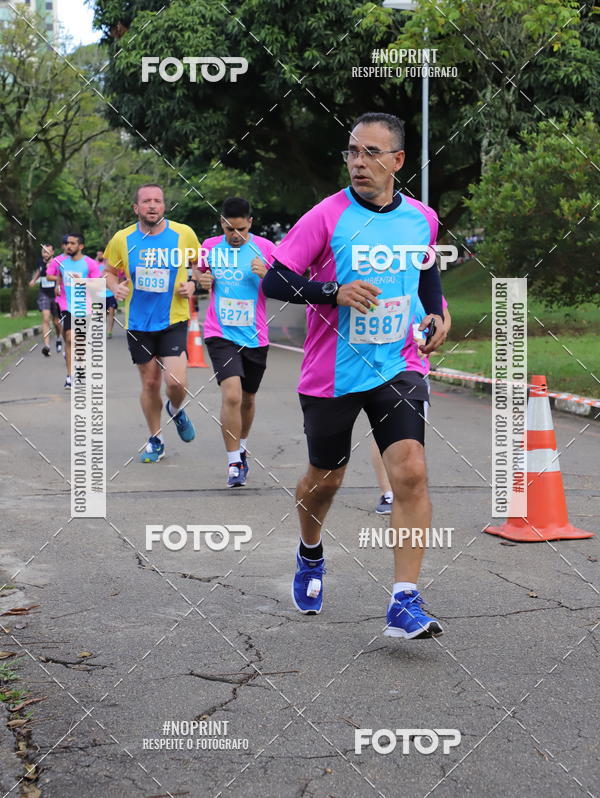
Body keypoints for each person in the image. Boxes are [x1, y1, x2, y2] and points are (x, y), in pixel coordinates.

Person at [262, 111, 447, 639]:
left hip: (399, 364)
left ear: (398, 161)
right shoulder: (326, 215)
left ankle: (404, 600)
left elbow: (427, 273)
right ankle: (311, 552)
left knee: (410, 469)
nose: (358, 162)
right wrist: (331, 292)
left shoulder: (422, 219)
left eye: (371, 153)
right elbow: (275, 278)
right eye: (352, 151)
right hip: (332, 374)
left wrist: (435, 316)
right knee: (326, 480)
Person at [103, 183, 200, 463]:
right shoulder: (123, 238)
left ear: (164, 206)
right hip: (138, 323)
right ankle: (156, 438)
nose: (152, 205)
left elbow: (199, 265)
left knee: (175, 381)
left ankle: (176, 408)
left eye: (157, 201)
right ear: (137, 208)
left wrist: (192, 284)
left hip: (174, 318)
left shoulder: (184, 234)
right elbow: (109, 271)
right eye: (146, 201)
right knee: (149, 383)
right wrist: (114, 286)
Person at [198, 197, 276, 487]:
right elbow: (197, 277)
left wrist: (267, 274)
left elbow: (284, 284)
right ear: (221, 224)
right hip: (220, 333)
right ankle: (233, 462)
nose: (235, 236)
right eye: (230, 229)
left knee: (248, 398)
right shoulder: (209, 247)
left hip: (255, 335)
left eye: (241, 229)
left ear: (251, 223)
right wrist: (200, 282)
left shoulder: (266, 248)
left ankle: (241, 448)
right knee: (231, 394)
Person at [372, 298, 451, 514]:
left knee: (411, 433)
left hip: (416, 369)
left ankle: (408, 490)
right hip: (381, 367)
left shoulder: (424, 282)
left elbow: (443, 314)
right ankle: (388, 493)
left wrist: (437, 334)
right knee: (383, 430)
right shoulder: (383, 278)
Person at [46, 234, 102, 389]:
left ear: (81, 246)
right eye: (67, 243)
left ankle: (81, 368)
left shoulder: (89, 264)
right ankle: (70, 376)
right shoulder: (61, 262)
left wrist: (82, 281)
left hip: (85, 307)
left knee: (80, 342)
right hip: (67, 306)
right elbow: (54, 275)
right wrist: (58, 285)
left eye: (72, 243)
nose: (68, 246)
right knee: (70, 338)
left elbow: (98, 285)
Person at [28, 243, 63, 357]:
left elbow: (62, 277)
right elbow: (39, 271)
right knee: (45, 318)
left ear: (52, 252)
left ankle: (58, 338)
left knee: (56, 321)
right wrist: (34, 280)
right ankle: (47, 346)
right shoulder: (40, 262)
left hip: (55, 295)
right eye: (44, 251)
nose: (45, 254)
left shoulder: (57, 263)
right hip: (44, 294)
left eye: (48, 252)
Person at [96, 250, 117, 338]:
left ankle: (109, 331)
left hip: (110, 293)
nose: (100, 256)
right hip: (100, 294)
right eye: (98, 255)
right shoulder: (95, 265)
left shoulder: (109, 266)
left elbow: (116, 276)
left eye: (101, 254)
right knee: (101, 314)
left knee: (111, 313)